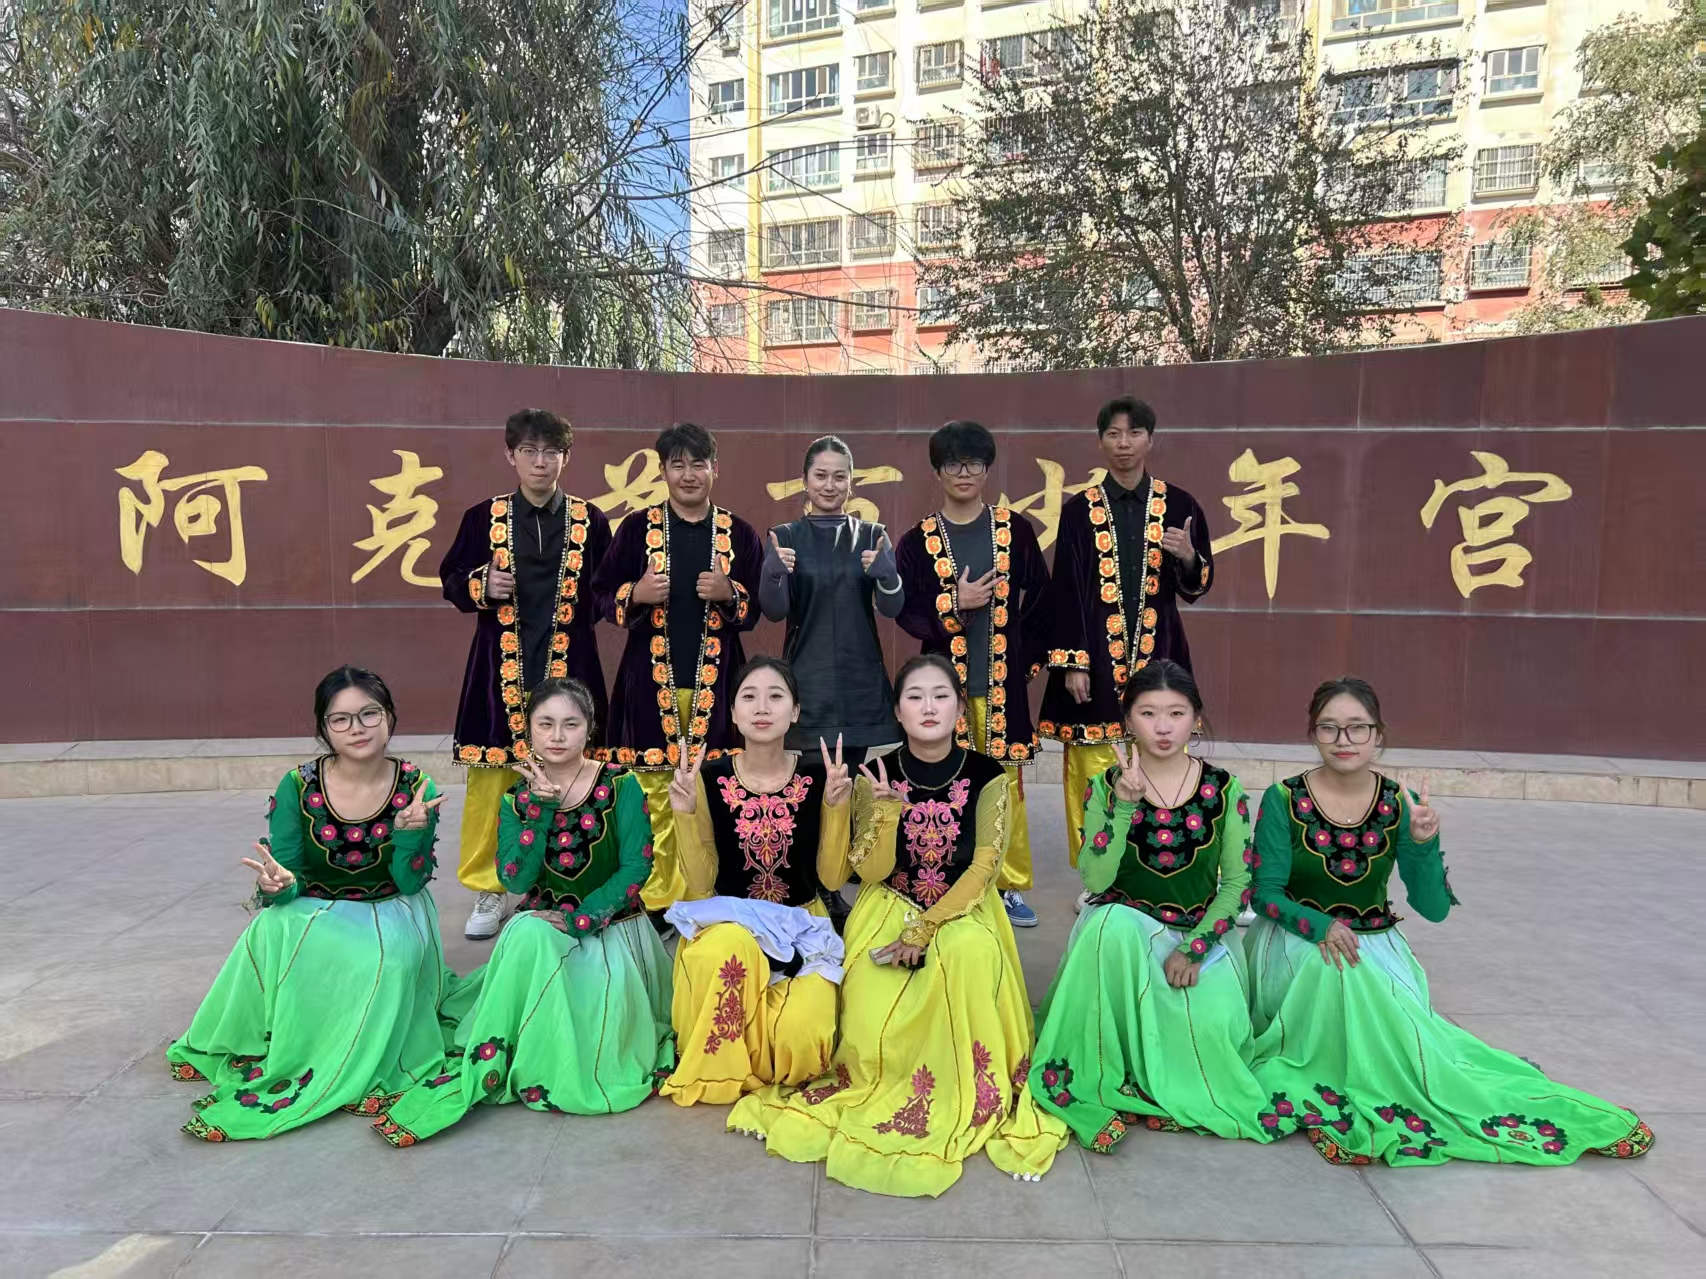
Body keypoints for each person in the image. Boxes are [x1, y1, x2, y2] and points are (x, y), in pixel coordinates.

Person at [1245, 677, 1653, 1167]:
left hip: (1374, 946)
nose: (1343, 740)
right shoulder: (1283, 798)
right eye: (1329, 728)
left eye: (1357, 727)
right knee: (1337, 972)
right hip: (1295, 943)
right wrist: (1321, 926)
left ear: (1379, 735)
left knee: (1385, 1014)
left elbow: (1433, 908)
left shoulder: (1401, 803)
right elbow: (1265, 895)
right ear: (1313, 734)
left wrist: (1422, 843)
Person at [730, 654, 1067, 1198]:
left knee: (967, 958)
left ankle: (959, 1090)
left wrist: (924, 929)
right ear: (898, 711)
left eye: (941, 695)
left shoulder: (990, 776)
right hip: (886, 904)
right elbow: (868, 872)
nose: (928, 706)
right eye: (915, 696)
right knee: (870, 1005)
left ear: (960, 709)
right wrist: (886, 814)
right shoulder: (877, 773)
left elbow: (985, 868)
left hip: (962, 909)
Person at [169, 667, 475, 1141]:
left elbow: (409, 882)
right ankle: (292, 1042)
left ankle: (359, 1053)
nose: (357, 728)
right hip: (316, 902)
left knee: (384, 958)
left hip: (392, 905)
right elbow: (288, 875)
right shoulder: (297, 785)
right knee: (271, 927)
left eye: (369, 714)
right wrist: (278, 886)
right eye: (341, 719)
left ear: (389, 717)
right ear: (324, 728)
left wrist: (409, 834)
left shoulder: (417, 788)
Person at [370, 679, 673, 1146]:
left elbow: (637, 866)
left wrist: (582, 918)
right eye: (545, 724)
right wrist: (541, 811)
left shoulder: (621, 784)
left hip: (613, 930)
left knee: (537, 944)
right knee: (527, 932)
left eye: (571, 724)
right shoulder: (517, 798)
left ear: (589, 729)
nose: (558, 736)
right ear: (528, 730)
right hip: (540, 930)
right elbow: (514, 879)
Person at [1028, 660, 1273, 1154]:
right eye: (1148, 713)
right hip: (1123, 935)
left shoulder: (1225, 790)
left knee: (1212, 1037)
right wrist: (1123, 805)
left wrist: (1196, 948)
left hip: (1199, 935)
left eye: (1176, 713)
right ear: (1127, 720)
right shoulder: (1104, 785)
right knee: (1110, 922)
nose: (1163, 727)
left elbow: (1238, 886)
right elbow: (1095, 880)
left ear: (1196, 719)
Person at [439, 408, 613, 941]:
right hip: (499, 670)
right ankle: (489, 888)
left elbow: (606, 592)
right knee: (492, 781)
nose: (540, 462)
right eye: (530, 451)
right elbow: (450, 579)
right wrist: (481, 585)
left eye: (551, 452)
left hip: (570, 666)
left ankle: (567, 879)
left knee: (572, 777)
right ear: (510, 455)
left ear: (566, 457)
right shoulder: (482, 517)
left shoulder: (590, 520)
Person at [658, 657, 852, 1106]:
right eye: (749, 696)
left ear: (795, 711)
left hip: (800, 927)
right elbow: (702, 881)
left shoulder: (819, 776)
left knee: (802, 1044)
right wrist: (684, 815)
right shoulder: (709, 778)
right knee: (726, 953)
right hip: (732, 928)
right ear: (732, 712)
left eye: (775, 696)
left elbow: (831, 877)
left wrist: (837, 807)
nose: (762, 707)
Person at [590, 422, 765, 913]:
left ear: (715, 469)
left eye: (698, 464)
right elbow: (600, 594)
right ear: (663, 470)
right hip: (648, 685)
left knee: (714, 788)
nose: (689, 474)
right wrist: (636, 594)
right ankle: (655, 895)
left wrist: (730, 593)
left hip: (719, 684)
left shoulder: (739, 533)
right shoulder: (636, 529)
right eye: (678, 464)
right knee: (650, 791)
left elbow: (760, 608)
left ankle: (707, 889)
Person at [1038, 396, 1214, 875]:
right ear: (1100, 442)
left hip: (1161, 656)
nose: (1124, 443)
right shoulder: (1079, 510)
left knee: (1162, 756)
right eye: (1113, 434)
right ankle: (1096, 873)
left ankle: (1159, 863)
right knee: (1092, 770)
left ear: (1150, 440)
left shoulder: (1180, 506)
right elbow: (1066, 589)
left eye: (1134, 433)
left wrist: (1187, 556)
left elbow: (1197, 586)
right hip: (1094, 660)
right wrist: (1073, 662)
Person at [895, 421, 1051, 928]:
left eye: (974, 463)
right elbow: (904, 611)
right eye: (953, 464)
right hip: (944, 689)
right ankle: (948, 876)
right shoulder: (917, 541)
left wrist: (1024, 661)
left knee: (1005, 786)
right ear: (938, 471)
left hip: (1001, 686)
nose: (964, 473)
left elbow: (1041, 595)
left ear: (987, 470)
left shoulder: (1014, 529)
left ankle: (1007, 885)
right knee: (947, 783)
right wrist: (953, 604)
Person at [760, 435, 903, 765]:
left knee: (854, 781)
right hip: (809, 679)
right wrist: (772, 574)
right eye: (820, 475)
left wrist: (888, 576)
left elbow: (892, 607)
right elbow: (774, 611)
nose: (829, 485)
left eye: (839, 477)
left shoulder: (873, 535)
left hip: (861, 681)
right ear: (805, 480)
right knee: (813, 783)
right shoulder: (784, 537)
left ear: (850, 482)